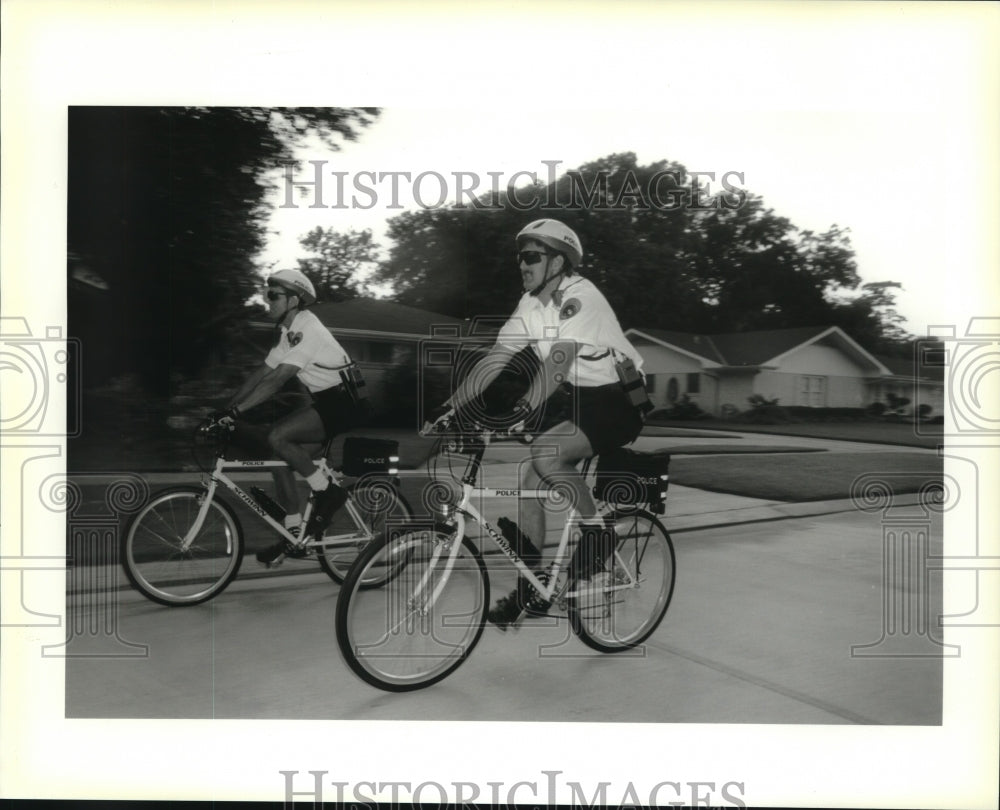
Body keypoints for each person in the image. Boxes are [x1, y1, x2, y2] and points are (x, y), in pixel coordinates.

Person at [435, 219, 646, 628]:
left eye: (532, 256)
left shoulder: (581, 297)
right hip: (581, 400)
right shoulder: (530, 305)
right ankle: (532, 584)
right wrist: (450, 407)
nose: (522, 264)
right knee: (528, 480)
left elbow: (559, 362)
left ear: (558, 261)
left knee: (545, 456)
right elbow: (496, 358)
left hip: (618, 400)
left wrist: (523, 410)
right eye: (520, 257)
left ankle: (599, 535)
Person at [210, 269, 362, 566]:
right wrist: (226, 408)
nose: (267, 301)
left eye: (273, 296)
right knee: (279, 460)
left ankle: (328, 493)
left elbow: (279, 379)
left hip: (346, 401)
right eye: (266, 295)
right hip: (327, 401)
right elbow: (263, 372)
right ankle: (294, 536)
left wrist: (237, 412)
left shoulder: (309, 330)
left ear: (294, 300)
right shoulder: (289, 333)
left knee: (278, 436)